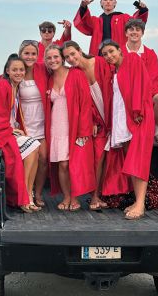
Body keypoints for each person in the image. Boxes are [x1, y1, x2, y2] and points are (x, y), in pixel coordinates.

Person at [100, 39, 155, 220]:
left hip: (137, 117)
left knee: (138, 160)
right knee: (130, 160)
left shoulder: (132, 59)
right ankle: (136, 200)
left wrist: (138, 110)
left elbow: (142, 84)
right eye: (105, 54)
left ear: (119, 49)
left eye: (111, 51)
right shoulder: (116, 70)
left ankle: (140, 204)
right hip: (123, 121)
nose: (109, 56)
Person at [0, 54, 41, 213]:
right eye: (14, 70)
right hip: (0, 132)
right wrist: (10, 130)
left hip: (7, 129)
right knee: (34, 147)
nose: (19, 73)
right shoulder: (3, 86)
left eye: (21, 70)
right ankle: (25, 197)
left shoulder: (15, 86)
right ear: (7, 71)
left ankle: (28, 194)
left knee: (34, 150)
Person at [44, 44, 95, 211]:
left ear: (62, 57)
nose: (53, 60)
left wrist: (84, 129)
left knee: (72, 163)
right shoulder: (48, 79)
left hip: (73, 126)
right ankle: (66, 196)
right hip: (56, 127)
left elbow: (86, 103)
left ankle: (75, 196)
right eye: (49, 58)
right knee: (62, 164)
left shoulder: (76, 74)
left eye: (56, 57)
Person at [61, 40, 112, 210]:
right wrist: (92, 121)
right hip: (98, 122)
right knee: (97, 158)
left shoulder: (100, 62)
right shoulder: (75, 73)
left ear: (80, 50)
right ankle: (94, 197)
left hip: (112, 116)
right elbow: (83, 102)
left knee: (109, 159)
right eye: (67, 57)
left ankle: (103, 194)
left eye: (72, 54)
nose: (70, 58)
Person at [123, 19, 158, 147]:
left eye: (138, 29)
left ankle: (156, 134)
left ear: (142, 33)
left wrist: (141, 97)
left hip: (146, 93)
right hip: (123, 94)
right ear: (126, 33)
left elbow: (154, 79)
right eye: (131, 29)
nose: (134, 32)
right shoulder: (119, 53)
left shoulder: (150, 54)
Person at [18, 40, 49, 207]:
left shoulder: (43, 69)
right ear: (20, 54)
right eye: (26, 53)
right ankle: (26, 193)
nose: (30, 57)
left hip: (42, 122)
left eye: (33, 54)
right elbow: (0, 86)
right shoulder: (16, 70)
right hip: (25, 124)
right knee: (31, 158)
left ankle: (37, 193)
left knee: (44, 159)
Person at [73, 0, 148, 56]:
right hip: (99, 58)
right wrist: (83, 7)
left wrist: (143, 10)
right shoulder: (95, 21)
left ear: (115, 2)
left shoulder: (124, 18)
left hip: (119, 57)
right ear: (101, 3)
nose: (108, 1)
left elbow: (137, 24)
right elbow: (83, 23)